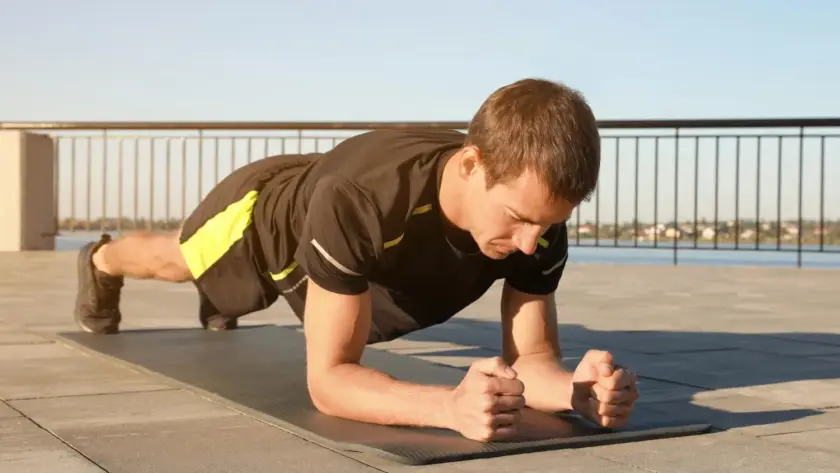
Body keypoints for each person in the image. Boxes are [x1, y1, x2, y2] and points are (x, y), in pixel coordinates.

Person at [72, 78, 639, 442]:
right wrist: (449, 407)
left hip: (347, 232)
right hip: (266, 217)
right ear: (471, 166)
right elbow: (329, 381)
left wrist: (576, 392)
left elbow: (533, 358)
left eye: (548, 223)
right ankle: (101, 258)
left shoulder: (537, 228)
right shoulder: (361, 199)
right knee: (178, 261)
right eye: (517, 217)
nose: (528, 243)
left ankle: (222, 305)